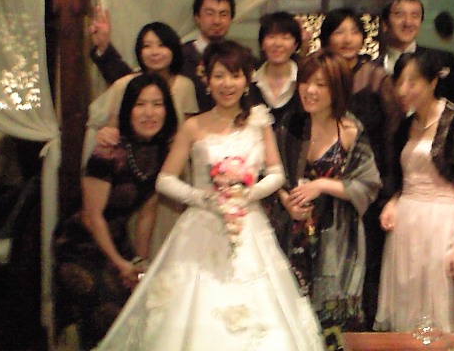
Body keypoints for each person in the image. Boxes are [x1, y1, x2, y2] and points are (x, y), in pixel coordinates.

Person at [96, 41, 324, 351]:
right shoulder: (193, 126)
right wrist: (204, 199)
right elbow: (165, 180)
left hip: (248, 224)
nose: (227, 84)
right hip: (201, 225)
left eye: (235, 76)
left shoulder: (259, 122)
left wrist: (247, 194)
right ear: (207, 80)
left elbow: (276, 174)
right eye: (219, 76)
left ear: (246, 80)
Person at [55, 74, 178, 350]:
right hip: (80, 247)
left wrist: (139, 263)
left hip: (118, 245)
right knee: (112, 312)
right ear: (128, 110)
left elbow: (147, 211)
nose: (149, 113)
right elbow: (91, 217)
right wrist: (120, 264)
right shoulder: (108, 151)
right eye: (140, 104)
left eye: (157, 104)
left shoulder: (161, 151)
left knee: (146, 305)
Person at [273, 49, 381, 350]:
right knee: (291, 317)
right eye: (306, 82)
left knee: (332, 324)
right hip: (292, 234)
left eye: (321, 84)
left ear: (337, 89)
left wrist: (322, 185)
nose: (310, 90)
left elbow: (368, 185)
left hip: (337, 237)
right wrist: (285, 201)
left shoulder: (349, 130)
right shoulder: (290, 126)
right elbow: (269, 176)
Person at [375, 51, 454, 333]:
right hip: (406, 224)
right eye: (399, 82)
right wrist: (393, 202)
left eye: (412, 82)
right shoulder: (405, 126)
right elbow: (406, 177)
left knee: (440, 302)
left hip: (443, 222)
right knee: (407, 299)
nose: (403, 90)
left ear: (433, 82)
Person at [319, 8, 402, 330]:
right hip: (326, 178)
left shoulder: (375, 77)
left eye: (354, 31)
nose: (347, 39)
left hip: (369, 179)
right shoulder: (319, 74)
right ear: (327, 38)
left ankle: (362, 326)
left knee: (367, 255)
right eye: (339, 31)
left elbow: (393, 129)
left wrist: (391, 183)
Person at [86, 22, 198, 259]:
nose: (154, 51)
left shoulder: (185, 85)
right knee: (137, 233)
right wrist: (104, 134)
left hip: (171, 172)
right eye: (147, 46)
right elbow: (111, 127)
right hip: (134, 177)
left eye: (161, 45)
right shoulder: (126, 84)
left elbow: (189, 132)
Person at [88, 0, 235, 112]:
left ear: (231, 19)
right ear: (197, 18)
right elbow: (135, 83)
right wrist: (104, 47)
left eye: (223, 14)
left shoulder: (238, 56)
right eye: (210, 13)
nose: (217, 21)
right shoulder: (177, 54)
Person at [377, 0, 454, 110]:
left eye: (415, 16)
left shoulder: (442, 60)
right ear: (384, 24)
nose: (408, 22)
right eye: (399, 15)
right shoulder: (372, 69)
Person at [248, 11, 303, 127]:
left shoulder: (305, 79)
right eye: (271, 36)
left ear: (295, 45)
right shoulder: (249, 81)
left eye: (285, 37)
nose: (278, 43)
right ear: (262, 44)